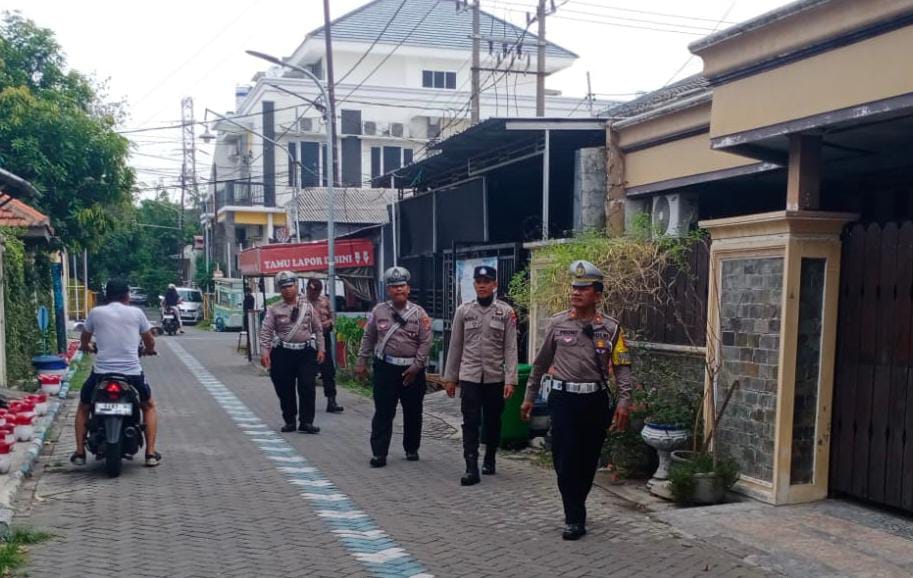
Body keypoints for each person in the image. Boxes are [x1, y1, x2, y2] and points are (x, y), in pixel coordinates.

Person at [521, 260, 633, 541]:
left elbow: (622, 366)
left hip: (594, 401)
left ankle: (577, 505)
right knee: (564, 458)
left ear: (597, 294)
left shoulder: (611, 328)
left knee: (588, 459)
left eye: (583, 289)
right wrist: (529, 396)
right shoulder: (558, 324)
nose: (576, 292)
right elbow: (540, 363)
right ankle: (573, 515)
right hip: (563, 401)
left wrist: (624, 400)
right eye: (573, 287)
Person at [72, 278, 162, 467]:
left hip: (102, 374)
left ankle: (80, 452)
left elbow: (85, 338)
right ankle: (150, 454)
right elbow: (149, 340)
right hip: (131, 374)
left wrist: (86, 347)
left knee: (84, 407)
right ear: (127, 296)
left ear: (107, 296)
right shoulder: (137, 313)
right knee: (148, 406)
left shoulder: (96, 313)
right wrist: (149, 350)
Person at [444, 265, 518, 486]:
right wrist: (450, 378)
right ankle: (471, 466)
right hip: (470, 376)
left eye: (487, 281)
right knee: (470, 421)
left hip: (495, 376)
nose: (482, 285)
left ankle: (490, 457)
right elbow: (455, 345)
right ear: (474, 284)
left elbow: (510, 348)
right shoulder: (464, 311)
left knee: (493, 421)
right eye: (478, 281)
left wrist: (511, 379)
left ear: (494, 284)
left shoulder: (505, 312)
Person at [356, 266, 432, 468]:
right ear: (388, 290)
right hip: (385, 369)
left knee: (413, 411)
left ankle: (411, 448)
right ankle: (379, 453)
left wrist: (416, 367)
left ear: (408, 289)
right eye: (394, 287)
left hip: (412, 371)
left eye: (402, 286)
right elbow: (369, 337)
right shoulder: (378, 311)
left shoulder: (419, 313)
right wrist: (361, 360)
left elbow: (426, 342)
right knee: (383, 411)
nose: (398, 290)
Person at [259, 270, 326, 433]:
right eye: (283, 287)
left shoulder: (307, 306)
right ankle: (289, 420)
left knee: (307, 387)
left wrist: (321, 349)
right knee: (284, 388)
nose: (287, 289)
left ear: (296, 286)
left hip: (305, 352)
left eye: (290, 286)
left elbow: (318, 329)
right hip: (283, 353)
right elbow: (266, 331)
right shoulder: (274, 309)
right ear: (279, 290)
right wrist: (265, 352)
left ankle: (306, 422)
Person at [306, 278, 343, 414]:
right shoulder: (301, 303)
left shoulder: (324, 301)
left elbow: (333, 317)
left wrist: (329, 323)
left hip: (324, 337)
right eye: (312, 291)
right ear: (308, 290)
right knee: (307, 374)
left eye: (316, 291)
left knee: (328, 371)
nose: (314, 293)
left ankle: (331, 401)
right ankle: (307, 405)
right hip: (308, 339)